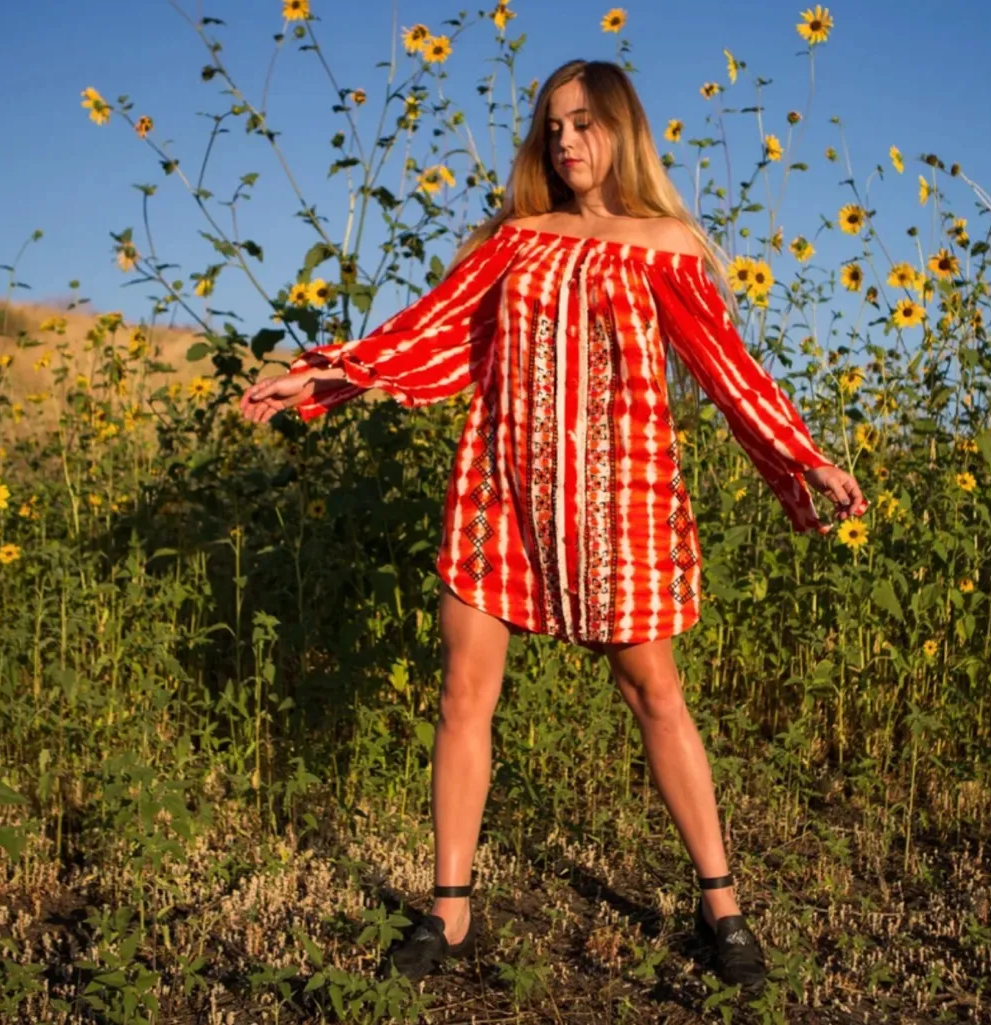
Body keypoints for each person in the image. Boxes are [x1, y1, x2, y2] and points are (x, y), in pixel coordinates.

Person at [240, 58, 867, 994]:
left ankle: (722, 906)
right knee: (463, 691)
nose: (565, 140)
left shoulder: (664, 244)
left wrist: (801, 455)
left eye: (583, 123)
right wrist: (327, 373)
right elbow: (432, 332)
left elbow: (726, 367)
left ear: (622, 128)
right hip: (501, 486)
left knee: (655, 693)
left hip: (623, 497)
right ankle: (448, 909)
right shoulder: (516, 240)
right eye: (552, 126)